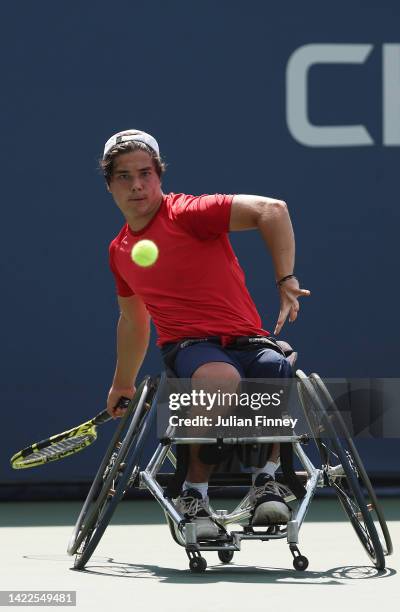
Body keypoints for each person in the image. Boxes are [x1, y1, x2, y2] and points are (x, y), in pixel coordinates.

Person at [102, 129, 310, 538]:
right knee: (221, 379)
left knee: (273, 368)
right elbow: (133, 320)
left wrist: (285, 277)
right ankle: (193, 494)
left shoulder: (190, 213)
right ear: (109, 185)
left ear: (160, 175)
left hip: (249, 341)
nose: (137, 185)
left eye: (145, 173)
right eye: (124, 176)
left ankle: (268, 481)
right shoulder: (120, 252)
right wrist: (121, 383)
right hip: (190, 347)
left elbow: (273, 210)